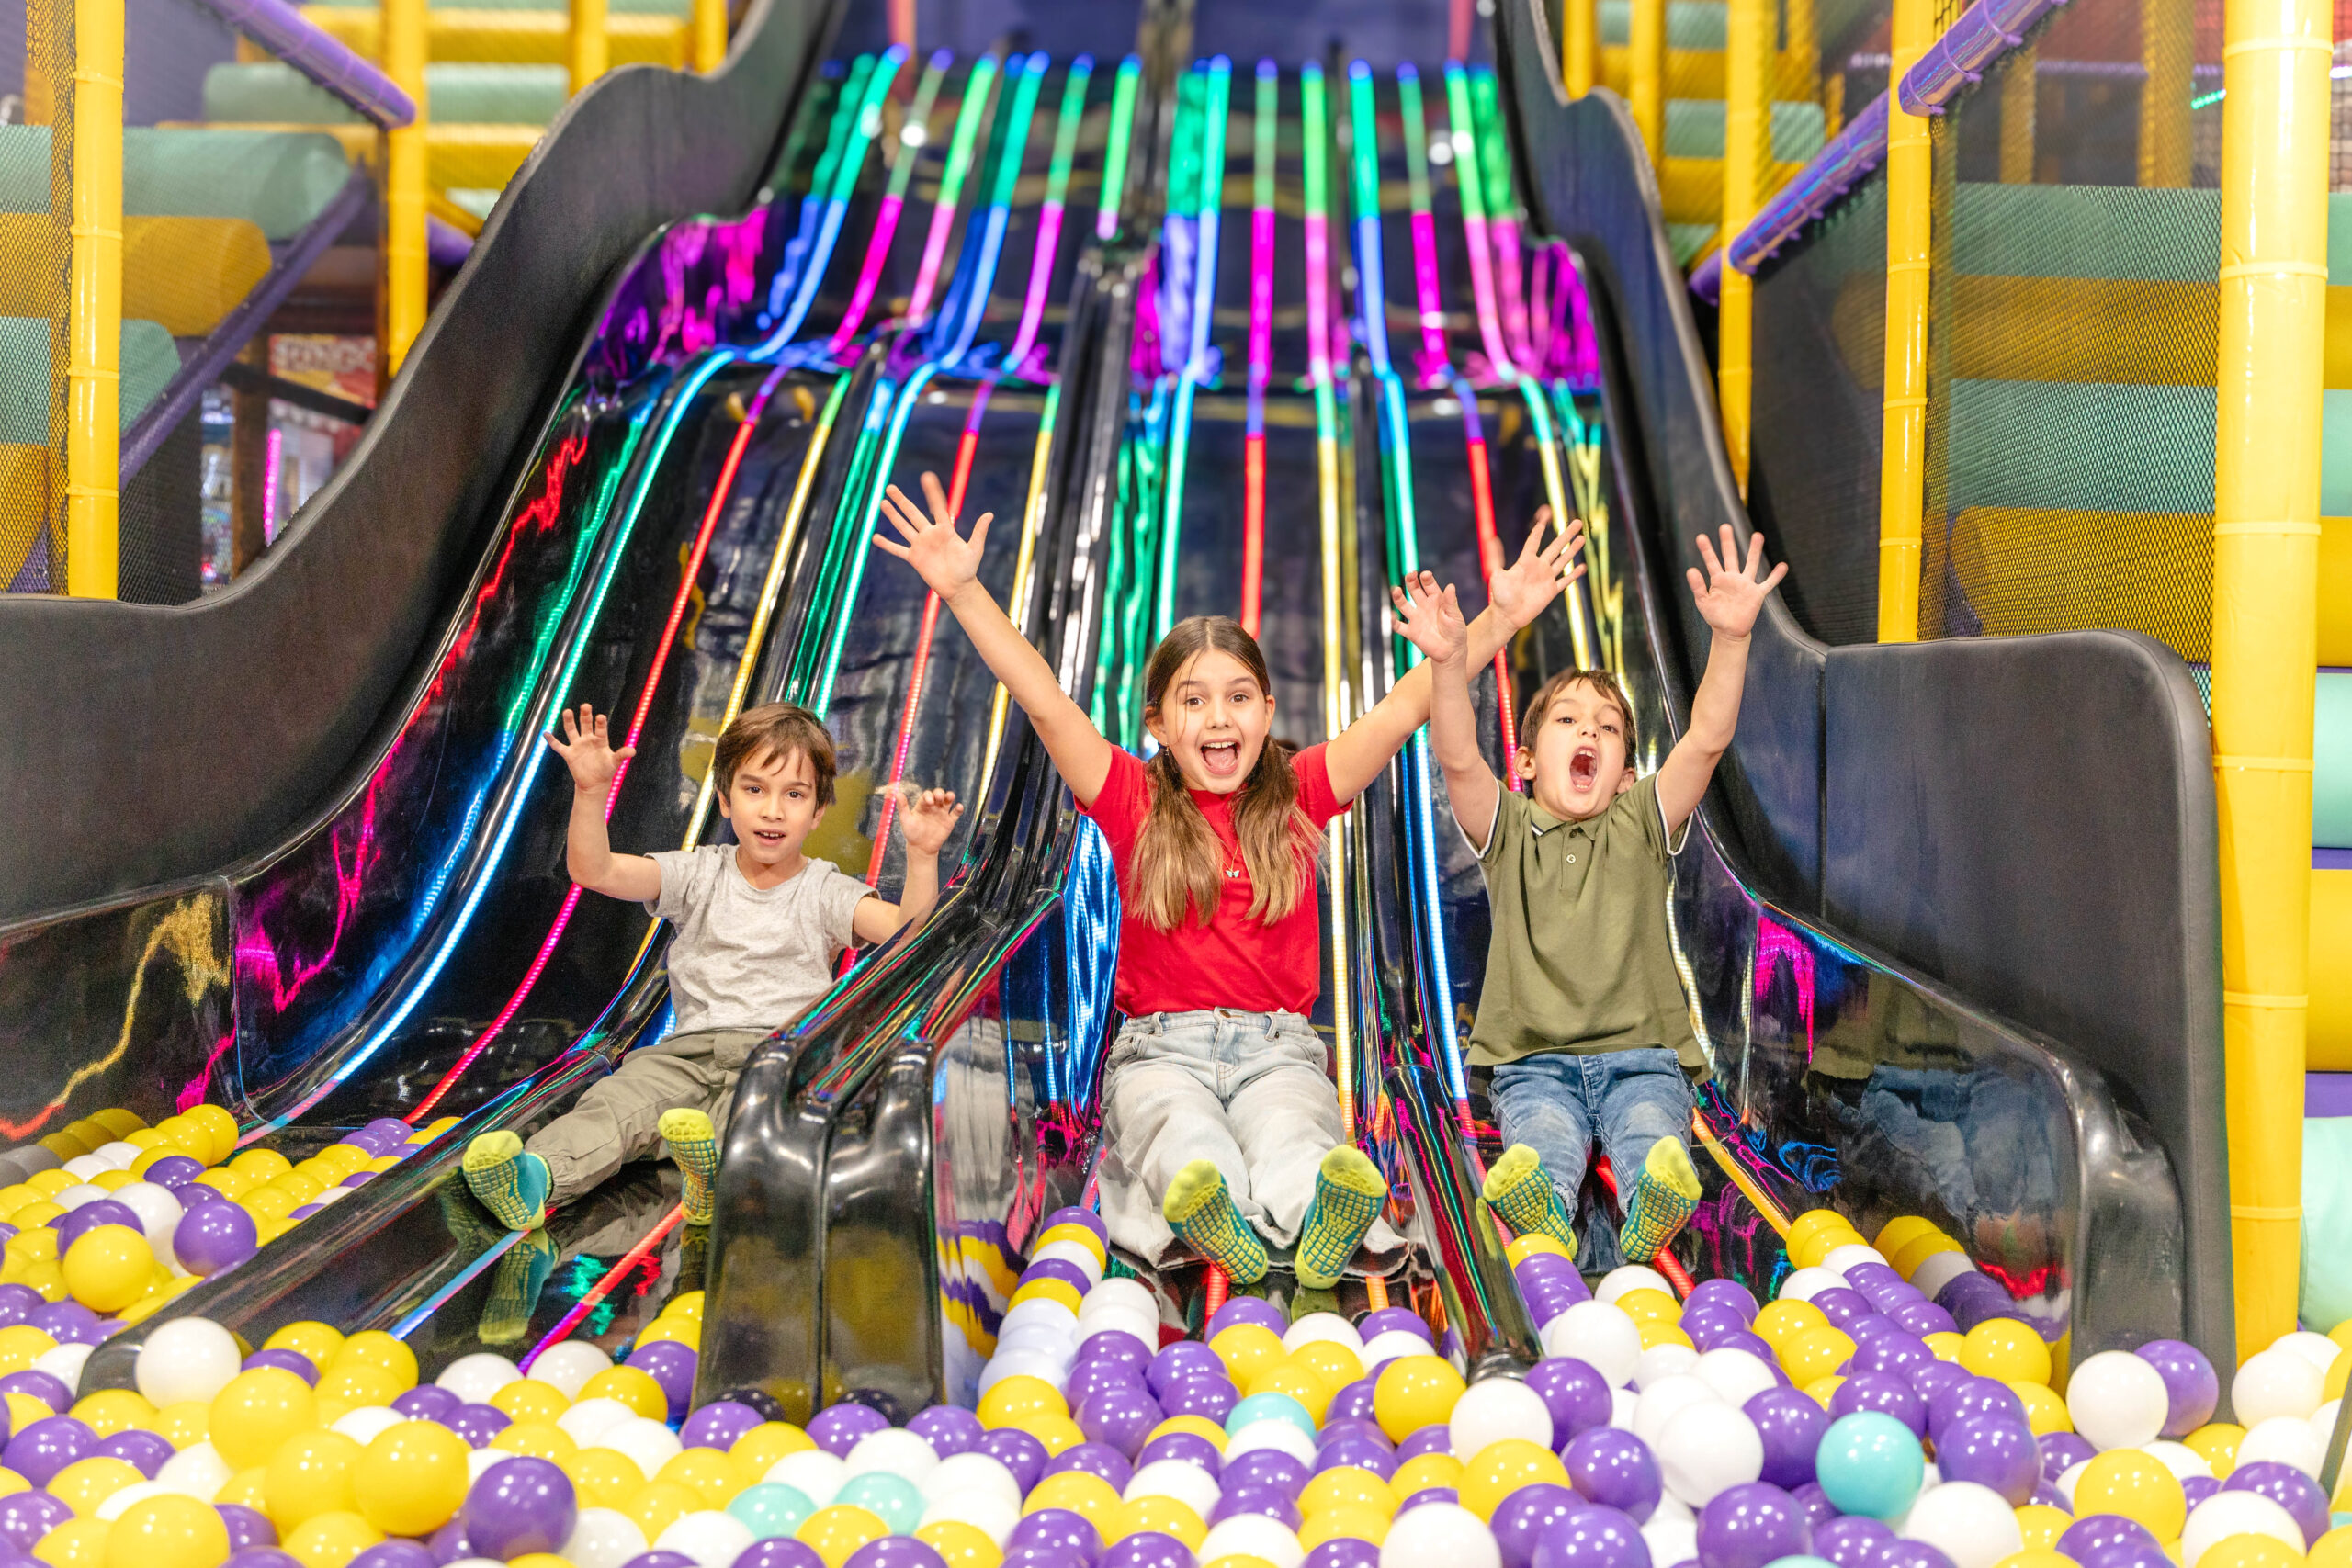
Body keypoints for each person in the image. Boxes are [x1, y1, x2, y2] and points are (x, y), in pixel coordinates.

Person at [876, 472, 1584, 1289]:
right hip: (1159, 1053)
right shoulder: (1130, 797)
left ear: (1269, 709)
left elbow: (1403, 708)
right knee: (1182, 1138)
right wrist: (964, 592)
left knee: (1295, 1136)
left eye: (1239, 697)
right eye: (1194, 700)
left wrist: (1498, 621)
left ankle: (1320, 1218)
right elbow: (1042, 699)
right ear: (1158, 724)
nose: (1219, 718)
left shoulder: (1300, 792)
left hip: (1277, 1047)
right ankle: (1221, 1219)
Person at [1396, 524, 1786, 1267]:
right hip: (1533, 1061)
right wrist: (1449, 665)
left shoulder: (1641, 819)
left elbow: (1704, 738)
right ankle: (1542, 1206)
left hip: (1642, 1056)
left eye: (1608, 727)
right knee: (1541, 1136)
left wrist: (1731, 640)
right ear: (1526, 760)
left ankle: (1652, 1209)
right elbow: (1454, 754)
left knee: (1650, 1132)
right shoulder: (1507, 827)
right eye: (1569, 721)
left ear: (1627, 770)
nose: (1590, 732)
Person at [460, 700, 962, 1230]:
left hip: (776, 1060)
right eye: (754, 789)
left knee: (754, 1126)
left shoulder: (825, 891)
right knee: (615, 1103)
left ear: (818, 812)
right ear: (724, 800)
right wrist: (589, 792)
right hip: (685, 1054)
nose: (773, 810)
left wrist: (923, 856)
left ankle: (710, 1181)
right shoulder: (698, 873)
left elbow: (911, 935)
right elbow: (595, 870)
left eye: (794, 795)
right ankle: (536, 1177)